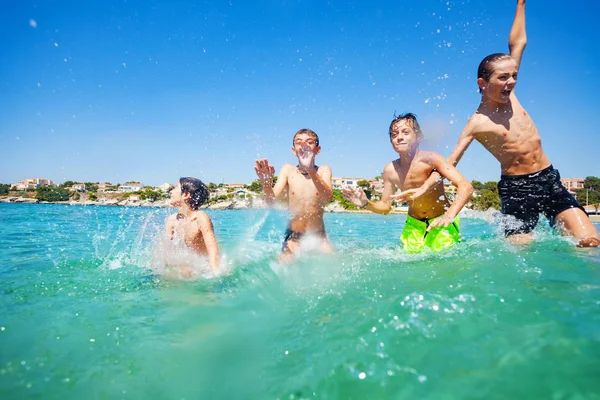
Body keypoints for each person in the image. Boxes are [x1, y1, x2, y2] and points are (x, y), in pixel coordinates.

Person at [423, 0, 599, 247]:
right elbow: (449, 163)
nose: (512, 81)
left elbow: (518, 43)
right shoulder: (477, 123)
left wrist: (520, 4)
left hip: (549, 179)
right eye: (503, 77)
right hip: (517, 190)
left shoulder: (512, 97)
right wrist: (425, 188)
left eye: (514, 75)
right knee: (521, 254)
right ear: (482, 83)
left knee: (590, 241)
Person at [342, 113, 473, 253]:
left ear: (419, 137)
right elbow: (385, 207)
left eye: (406, 132)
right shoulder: (390, 170)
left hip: (441, 221)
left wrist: (449, 215)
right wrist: (366, 203)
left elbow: (465, 186)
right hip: (413, 225)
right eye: (394, 134)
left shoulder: (431, 158)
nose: (399, 137)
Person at [254, 128, 333, 262]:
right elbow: (270, 202)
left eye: (309, 142)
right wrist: (267, 184)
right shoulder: (288, 170)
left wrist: (310, 170)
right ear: (293, 150)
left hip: (318, 236)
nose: (304, 145)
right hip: (294, 236)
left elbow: (328, 197)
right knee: (283, 267)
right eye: (299, 142)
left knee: (333, 267)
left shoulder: (323, 170)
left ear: (317, 149)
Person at [164, 177, 220, 276]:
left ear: (185, 195)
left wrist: (216, 276)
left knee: (186, 269)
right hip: (189, 266)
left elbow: (213, 252)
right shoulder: (171, 220)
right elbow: (167, 253)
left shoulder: (200, 218)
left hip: (204, 266)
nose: (171, 192)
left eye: (175, 188)